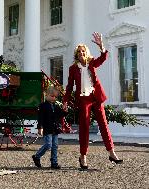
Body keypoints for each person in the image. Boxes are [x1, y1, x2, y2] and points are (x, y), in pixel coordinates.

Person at [62, 32, 123, 170]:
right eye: (79, 52)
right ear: (76, 54)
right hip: (83, 100)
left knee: (103, 124)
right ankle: (83, 156)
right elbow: (70, 86)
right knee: (84, 128)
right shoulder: (73, 69)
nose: (81, 53)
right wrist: (65, 100)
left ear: (86, 52)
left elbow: (103, 58)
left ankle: (112, 153)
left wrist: (101, 45)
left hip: (96, 98)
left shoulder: (92, 63)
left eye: (83, 51)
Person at [32, 86, 68, 169]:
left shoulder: (56, 106)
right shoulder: (42, 106)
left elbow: (60, 115)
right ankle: (37, 156)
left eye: (55, 97)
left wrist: (65, 111)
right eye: (52, 96)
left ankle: (54, 162)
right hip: (47, 128)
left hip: (55, 128)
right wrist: (40, 127)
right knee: (48, 145)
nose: (54, 98)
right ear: (46, 95)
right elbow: (40, 118)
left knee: (55, 146)